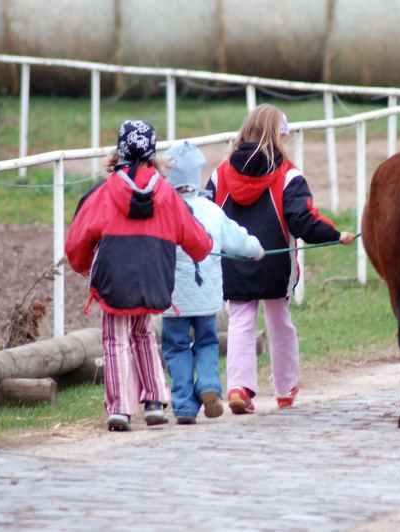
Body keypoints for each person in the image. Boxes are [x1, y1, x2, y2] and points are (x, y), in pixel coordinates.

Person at [207, 104, 355, 414]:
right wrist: (334, 234)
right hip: (276, 265)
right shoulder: (289, 175)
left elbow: (206, 217)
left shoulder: (219, 174)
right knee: (280, 324)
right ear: (279, 136)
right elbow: (303, 221)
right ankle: (286, 388)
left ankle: (238, 387)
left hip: (233, 263)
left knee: (240, 322)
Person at [65, 120, 213, 431]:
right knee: (144, 334)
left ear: (119, 153)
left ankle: (119, 407)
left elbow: (77, 241)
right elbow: (196, 239)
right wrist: (206, 249)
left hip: (114, 279)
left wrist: (82, 265)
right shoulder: (167, 193)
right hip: (154, 279)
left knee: (115, 339)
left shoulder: (103, 193)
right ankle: (155, 401)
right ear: (152, 153)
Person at [161, 141, 264, 425]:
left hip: (173, 301)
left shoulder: (163, 211)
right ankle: (208, 385)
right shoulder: (211, 210)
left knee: (176, 347)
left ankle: (183, 404)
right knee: (207, 341)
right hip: (207, 297)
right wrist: (256, 249)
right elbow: (236, 239)